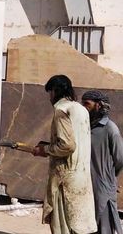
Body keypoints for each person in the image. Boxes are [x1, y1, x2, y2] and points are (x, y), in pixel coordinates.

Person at [33, 74, 97, 234]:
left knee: (63, 226)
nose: (49, 97)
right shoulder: (81, 109)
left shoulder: (61, 110)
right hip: (81, 177)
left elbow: (67, 145)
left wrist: (45, 150)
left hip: (65, 180)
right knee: (80, 226)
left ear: (55, 91)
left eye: (50, 93)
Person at [81, 90, 123, 234]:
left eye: (87, 104)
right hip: (86, 185)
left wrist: (108, 176)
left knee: (104, 227)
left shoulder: (111, 129)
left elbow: (120, 158)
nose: (84, 108)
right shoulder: (85, 127)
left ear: (98, 105)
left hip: (103, 187)